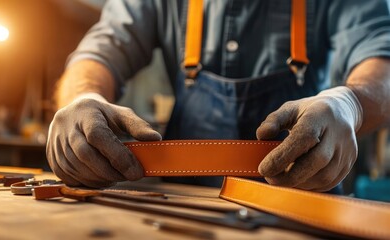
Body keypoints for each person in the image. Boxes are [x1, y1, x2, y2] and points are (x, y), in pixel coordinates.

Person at [47, 0, 390, 193]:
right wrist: (82, 97)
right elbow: (100, 52)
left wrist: (351, 103)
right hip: (184, 204)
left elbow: (381, 55)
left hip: (304, 208)